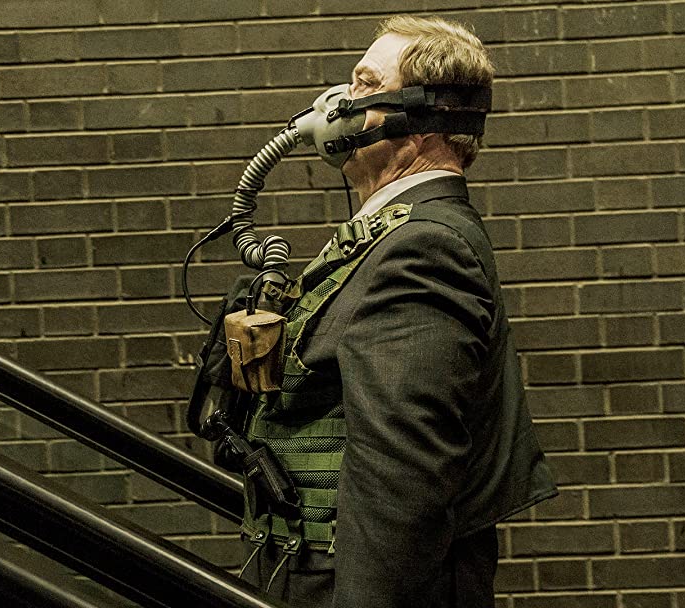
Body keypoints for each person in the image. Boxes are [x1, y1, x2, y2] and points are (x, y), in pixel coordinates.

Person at [235, 15, 557, 607]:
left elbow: (401, 480)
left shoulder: (423, 248)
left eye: (365, 83)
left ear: (421, 117)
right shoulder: (388, 235)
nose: (339, 98)